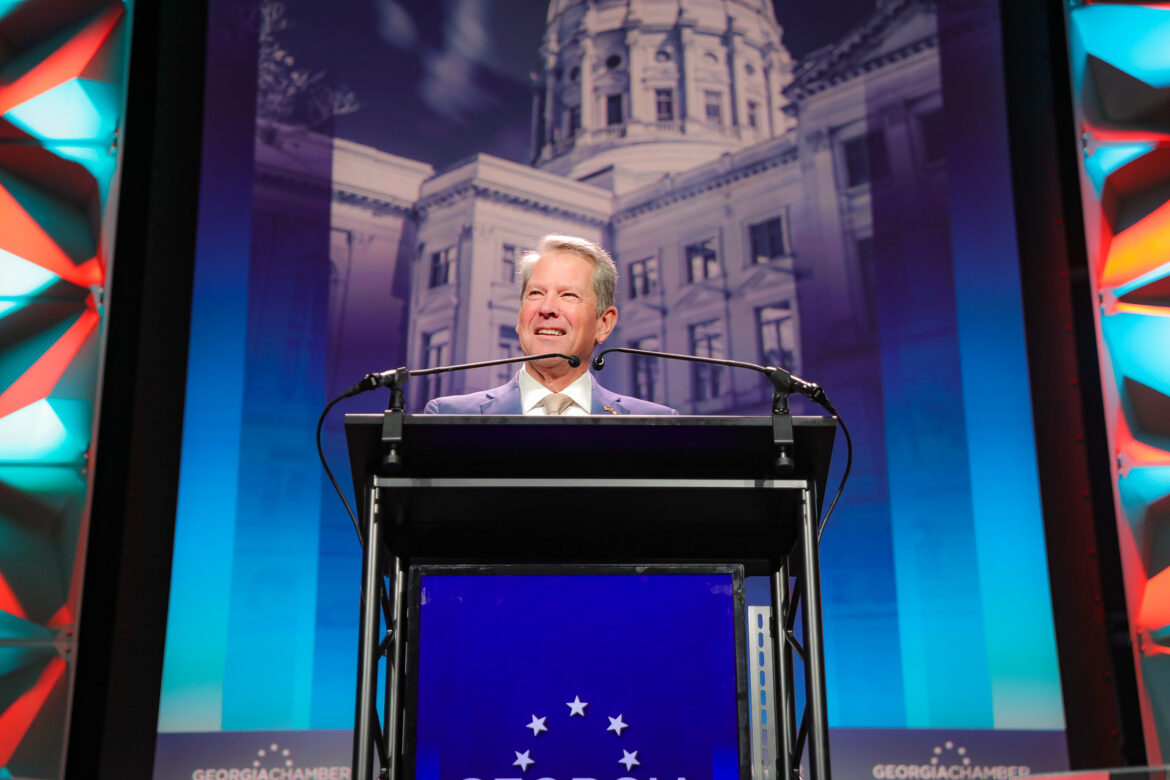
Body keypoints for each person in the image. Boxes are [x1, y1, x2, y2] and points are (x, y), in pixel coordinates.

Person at [423, 234, 677, 415]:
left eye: (569, 295)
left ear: (603, 323)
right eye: (535, 293)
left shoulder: (655, 424)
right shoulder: (449, 415)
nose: (546, 308)